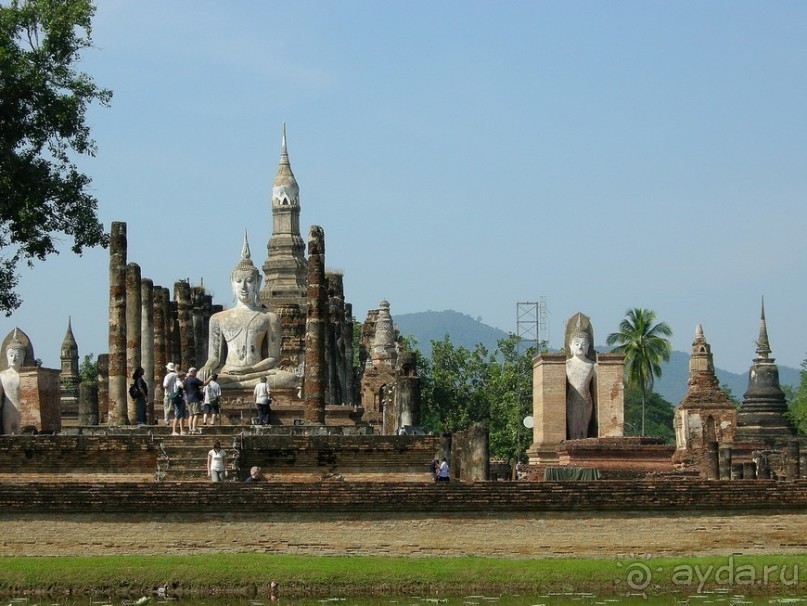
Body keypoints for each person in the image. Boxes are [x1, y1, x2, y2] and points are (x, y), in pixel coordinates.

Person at [199, 234, 296, 389]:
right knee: (200, 377)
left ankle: (238, 384)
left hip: (257, 372)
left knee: (289, 378)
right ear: (232, 284)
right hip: (228, 371)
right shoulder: (218, 319)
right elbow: (214, 358)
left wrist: (250, 370)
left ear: (258, 283)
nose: (243, 287)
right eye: (238, 281)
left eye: (249, 281)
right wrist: (207, 367)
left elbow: (273, 358)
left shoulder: (269, 318)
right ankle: (238, 384)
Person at [565, 317, 596, 440]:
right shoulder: (566, 364)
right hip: (572, 400)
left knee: (584, 429)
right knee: (573, 430)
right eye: (577, 344)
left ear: (588, 346)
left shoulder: (592, 365)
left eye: (583, 344)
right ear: (571, 346)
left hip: (587, 400)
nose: (580, 347)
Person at [0, 332, 24, 435]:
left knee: (21, 434)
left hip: (22, 410)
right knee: (8, 435)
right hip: (7, 409)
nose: (13, 359)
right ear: (7, 357)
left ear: (23, 357)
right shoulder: (2, 375)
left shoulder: (27, 377)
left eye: (17, 355)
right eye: (11, 355)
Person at [184, 367, 204, 434]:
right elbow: (203, 383)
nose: (196, 373)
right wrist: (210, 379)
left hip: (189, 399)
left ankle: (190, 428)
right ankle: (194, 428)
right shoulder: (194, 379)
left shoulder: (186, 380)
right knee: (196, 414)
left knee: (191, 415)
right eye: (195, 372)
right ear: (192, 372)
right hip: (194, 399)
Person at [171, 370, 188, 436]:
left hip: (182, 400)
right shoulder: (178, 381)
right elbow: (182, 387)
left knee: (182, 416)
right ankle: (174, 430)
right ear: (181, 376)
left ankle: (182, 430)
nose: (185, 377)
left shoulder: (181, 381)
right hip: (178, 400)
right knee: (177, 415)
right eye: (184, 376)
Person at [162, 362, 178, 427]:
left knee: (167, 409)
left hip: (168, 394)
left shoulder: (167, 376)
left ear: (168, 369)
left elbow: (165, 385)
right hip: (176, 394)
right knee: (176, 408)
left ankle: (166, 421)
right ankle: (177, 421)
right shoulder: (176, 375)